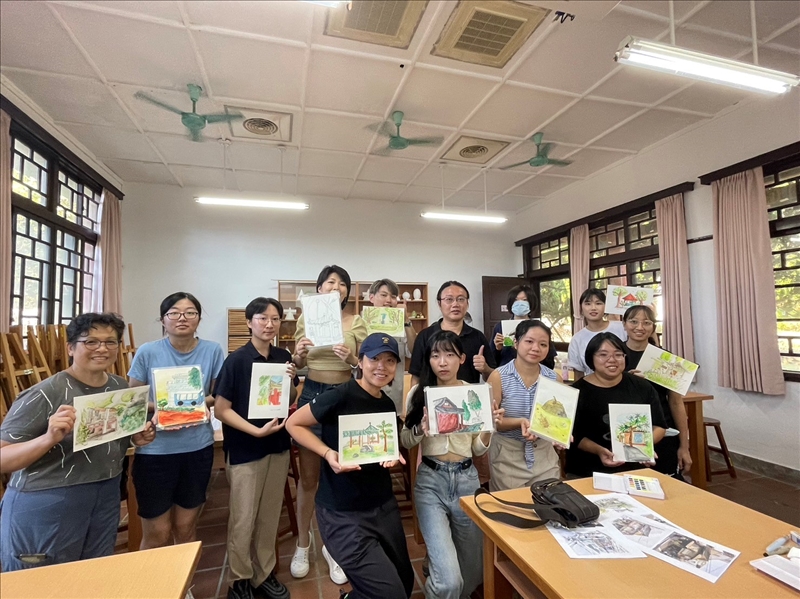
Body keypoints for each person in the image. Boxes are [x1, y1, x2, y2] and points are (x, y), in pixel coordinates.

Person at [0, 313, 155, 572]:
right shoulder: (45, 393)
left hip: (105, 494)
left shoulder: (119, 388)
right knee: (41, 580)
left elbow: (113, 440)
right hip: (47, 499)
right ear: (71, 347)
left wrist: (137, 437)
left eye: (110, 342)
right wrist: (48, 439)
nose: (102, 348)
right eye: (91, 341)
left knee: (92, 574)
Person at [286, 334, 414, 599]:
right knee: (390, 594)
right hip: (343, 512)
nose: (382, 366)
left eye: (390, 361)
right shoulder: (340, 395)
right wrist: (327, 453)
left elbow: (385, 448)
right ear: (360, 361)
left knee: (404, 581)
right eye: (375, 358)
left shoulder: (386, 403)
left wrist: (392, 456)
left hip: (382, 505)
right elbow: (293, 423)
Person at [401, 331, 499, 599]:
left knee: (473, 575)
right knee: (449, 583)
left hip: (466, 480)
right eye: (435, 356)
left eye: (449, 355)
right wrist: (420, 429)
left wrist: (488, 427)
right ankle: (439, 581)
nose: (442, 362)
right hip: (431, 482)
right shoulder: (419, 394)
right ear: (429, 360)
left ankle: (438, 575)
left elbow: (477, 449)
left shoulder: (472, 393)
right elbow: (406, 440)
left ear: (462, 359)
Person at [213, 298, 298, 599]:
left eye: (275, 319)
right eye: (262, 318)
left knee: (269, 515)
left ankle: (264, 574)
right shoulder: (236, 361)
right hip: (245, 448)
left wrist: (291, 383)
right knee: (243, 518)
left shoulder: (283, 356)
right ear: (249, 322)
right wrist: (255, 431)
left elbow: (289, 398)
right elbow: (221, 409)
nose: (269, 324)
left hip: (278, 445)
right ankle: (240, 579)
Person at [128, 292, 224, 550]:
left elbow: (217, 394)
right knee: (157, 532)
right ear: (163, 319)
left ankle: (185, 576)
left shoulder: (212, 350)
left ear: (199, 318)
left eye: (190, 312)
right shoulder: (148, 351)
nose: (182, 318)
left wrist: (195, 405)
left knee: (186, 527)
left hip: (197, 448)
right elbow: (133, 398)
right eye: (174, 313)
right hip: (155, 451)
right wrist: (166, 407)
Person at [290, 265, 367, 583]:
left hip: (345, 396)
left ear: (347, 291)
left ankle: (333, 547)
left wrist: (352, 359)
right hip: (312, 394)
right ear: (319, 288)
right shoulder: (305, 319)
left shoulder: (356, 321)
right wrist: (298, 354)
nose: (336, 287)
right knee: (308, 479)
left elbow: (365, 367)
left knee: (340, 477)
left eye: (342, 283)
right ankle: (303, 543)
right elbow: (298, 364)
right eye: (330, 282)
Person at [566, 332, 667, 478]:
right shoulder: (577, 391)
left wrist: (644, 446)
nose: (612, 360)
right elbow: (574, 435)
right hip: (587, 470)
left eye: (618, 354)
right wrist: (599, 451)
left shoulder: (642, 386)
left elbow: (659, 426)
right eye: (603, 355)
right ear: (591, 358)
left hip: (635, 470)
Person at [488, 320, 563, 491]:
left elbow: (558, 420)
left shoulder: (554, 379)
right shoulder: (498, 376)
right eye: (529, 341)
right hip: (507, 455)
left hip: (544, 454)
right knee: (510, 506)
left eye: (543, 344)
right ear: (516, 343)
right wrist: (520, 422)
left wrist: (560, 435)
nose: (536, 348)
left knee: (549, 503)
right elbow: (491, 422)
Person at [622, 305, 692, 480]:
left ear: (653, 326)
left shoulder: (665, 359)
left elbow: (676, 402)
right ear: (624, 324)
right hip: (624, 429)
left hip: (663, 429)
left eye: (646, 322)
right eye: (633, 321)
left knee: (665, 483)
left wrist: (684, 446)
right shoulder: (615, 355)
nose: (640, 327)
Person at [410, 281, 495, 386]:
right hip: (433, 395)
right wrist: (415, 396)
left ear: (467, 304)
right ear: (439, 304)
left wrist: (485, 368)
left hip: (466, 395)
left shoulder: (477, 337)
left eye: (461, 299)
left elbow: (492, 376)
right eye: (449, 299)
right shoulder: (425, 336)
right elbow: (416, 376)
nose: (455, 304)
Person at [368, 278, 416, 413]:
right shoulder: (361, 322)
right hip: (366, 391)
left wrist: (406, 320)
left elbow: (414, 351)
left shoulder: (402, 325)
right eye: (383, 295)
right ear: (371, 298)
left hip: (393, 394)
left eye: (393, 297)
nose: (389, 300)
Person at [491, 285, 557, 368]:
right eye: (515, 300)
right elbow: (491, 361)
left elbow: (550, 362)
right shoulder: (500, 327)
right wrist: (498, 349)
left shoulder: (540, 328)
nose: (520, 303)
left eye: (525, 300)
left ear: (531, 303)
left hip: (534, 372)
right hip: (506, 373)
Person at [567, 289, 627, 380]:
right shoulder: (577, 339)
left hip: (624, 382)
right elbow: (578, 373)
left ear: (606, 307)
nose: (593, 308)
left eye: (598, 303)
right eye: (588, 304)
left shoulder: (622, 328)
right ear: (581, 309)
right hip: (593, 386)